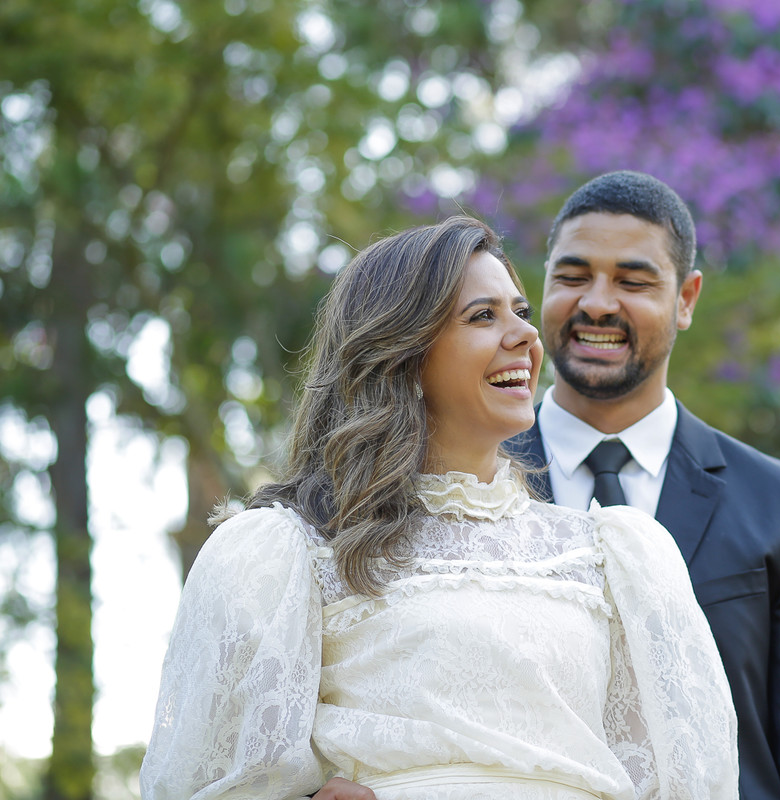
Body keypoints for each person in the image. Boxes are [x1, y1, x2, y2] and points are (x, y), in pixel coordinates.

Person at [140, 216, 738, 799]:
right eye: (483, 316)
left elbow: (685, 783)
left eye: (521, 312)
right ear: (402, 354)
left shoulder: (613, 555)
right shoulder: (287, 553)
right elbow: (205, 782)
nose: (526, 337)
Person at [507, 172, 780, 799]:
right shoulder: (455, 482)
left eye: (633, 282)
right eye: (572, 276)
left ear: (686, 299)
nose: (597, 303)